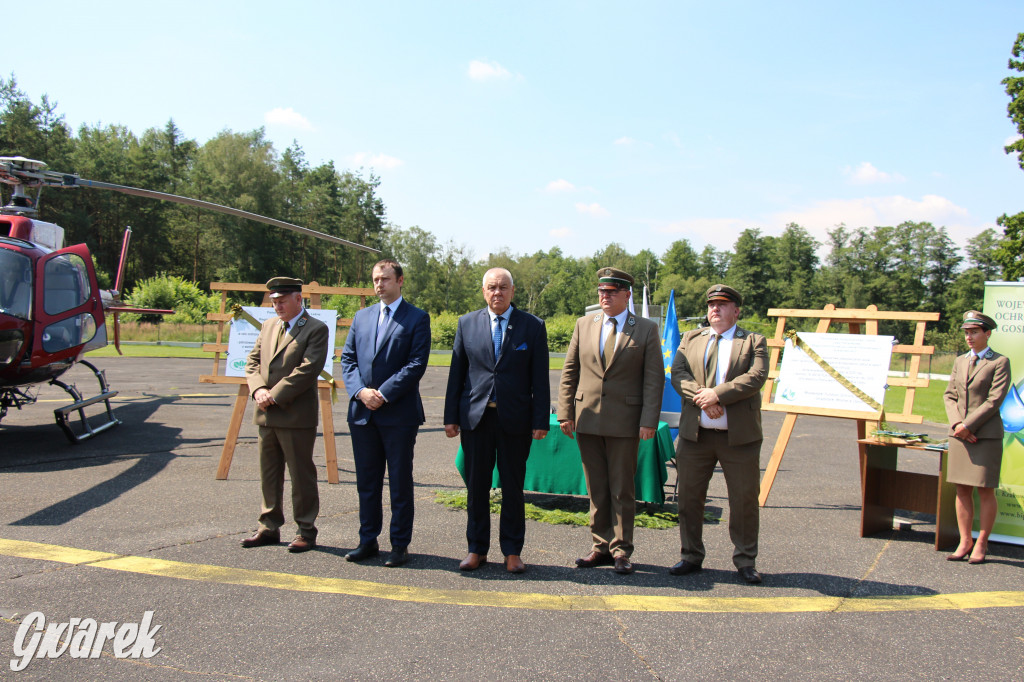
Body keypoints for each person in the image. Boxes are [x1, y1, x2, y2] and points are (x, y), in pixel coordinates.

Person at [557, 267, 664, 575]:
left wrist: (649, 420)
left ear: (627, 295)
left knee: (621, 489)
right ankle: (599, 546)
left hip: (625, 422)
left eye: (611, 292)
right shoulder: (584, 324)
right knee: (596, 488)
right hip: (587, 418)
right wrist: (565, 412)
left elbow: (654, 379)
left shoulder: (645, 329)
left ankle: (621, 549)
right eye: (601, 292)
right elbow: (570, 371)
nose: (604, 296)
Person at [444, 268, 550, 574]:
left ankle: (512, 551)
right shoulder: (466, 323)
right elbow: (456, 374)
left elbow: (540, 378)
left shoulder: (532, 326)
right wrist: (451, 417)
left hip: (515, 421)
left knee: (513, 488)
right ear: (483, 291)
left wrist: (540, 419)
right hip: (476, 420)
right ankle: (476, 549)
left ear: (512, 291)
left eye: (503, 287)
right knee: (476, 487)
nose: (497, 292)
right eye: (491, 287)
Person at [669, 284, 768, 584]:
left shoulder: (753, 341)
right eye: (712, 304)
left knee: (744, 501)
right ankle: (690, 555)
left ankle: (745, 560)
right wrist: (704, 398)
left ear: (736, 311)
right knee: (689, 499)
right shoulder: (691, 338)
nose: (715, 309)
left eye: (722, 305)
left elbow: (756, 377)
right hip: (695, 436)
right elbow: (678, 374)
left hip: (738, 438)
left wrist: (718, 395)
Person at [341, 259, 430, 568]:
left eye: (386, 279)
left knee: (400, 483)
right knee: (367, 482)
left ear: (400, 280)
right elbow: (348, 359)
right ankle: (367, 541)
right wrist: (360, 391)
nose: (379, 284)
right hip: (362, 413)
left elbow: (416, 364)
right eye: (376, 279)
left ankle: (399, 545)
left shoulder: (417, 318)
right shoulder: (362, 316)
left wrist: (383, 393)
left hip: (398, 414)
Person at [242, 277, 330, 553]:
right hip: (266, 413)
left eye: (282, 301)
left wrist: (273, 395)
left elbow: (308, 369)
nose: (277, 306)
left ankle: (305, 530)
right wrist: (258, 390)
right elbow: (252, 361)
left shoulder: (315, 328)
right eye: (274, 302)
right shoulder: (269, 326)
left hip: (294, 415)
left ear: (298, 299)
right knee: (269, 473)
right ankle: (269, 526)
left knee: (301, 476)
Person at [943, 310, 1011, 565]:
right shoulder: (960, 361)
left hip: (985, 436)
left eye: (974, 332)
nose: (969, 337)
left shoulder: (1000, 362)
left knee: (985, 490)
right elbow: (949, 395)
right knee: (961, 489)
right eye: (966, 333)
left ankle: (981, 542)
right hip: (960, 434)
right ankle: (964, 541)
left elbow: (995, 400)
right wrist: (957, 425)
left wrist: (968, 426)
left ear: (987, 333)